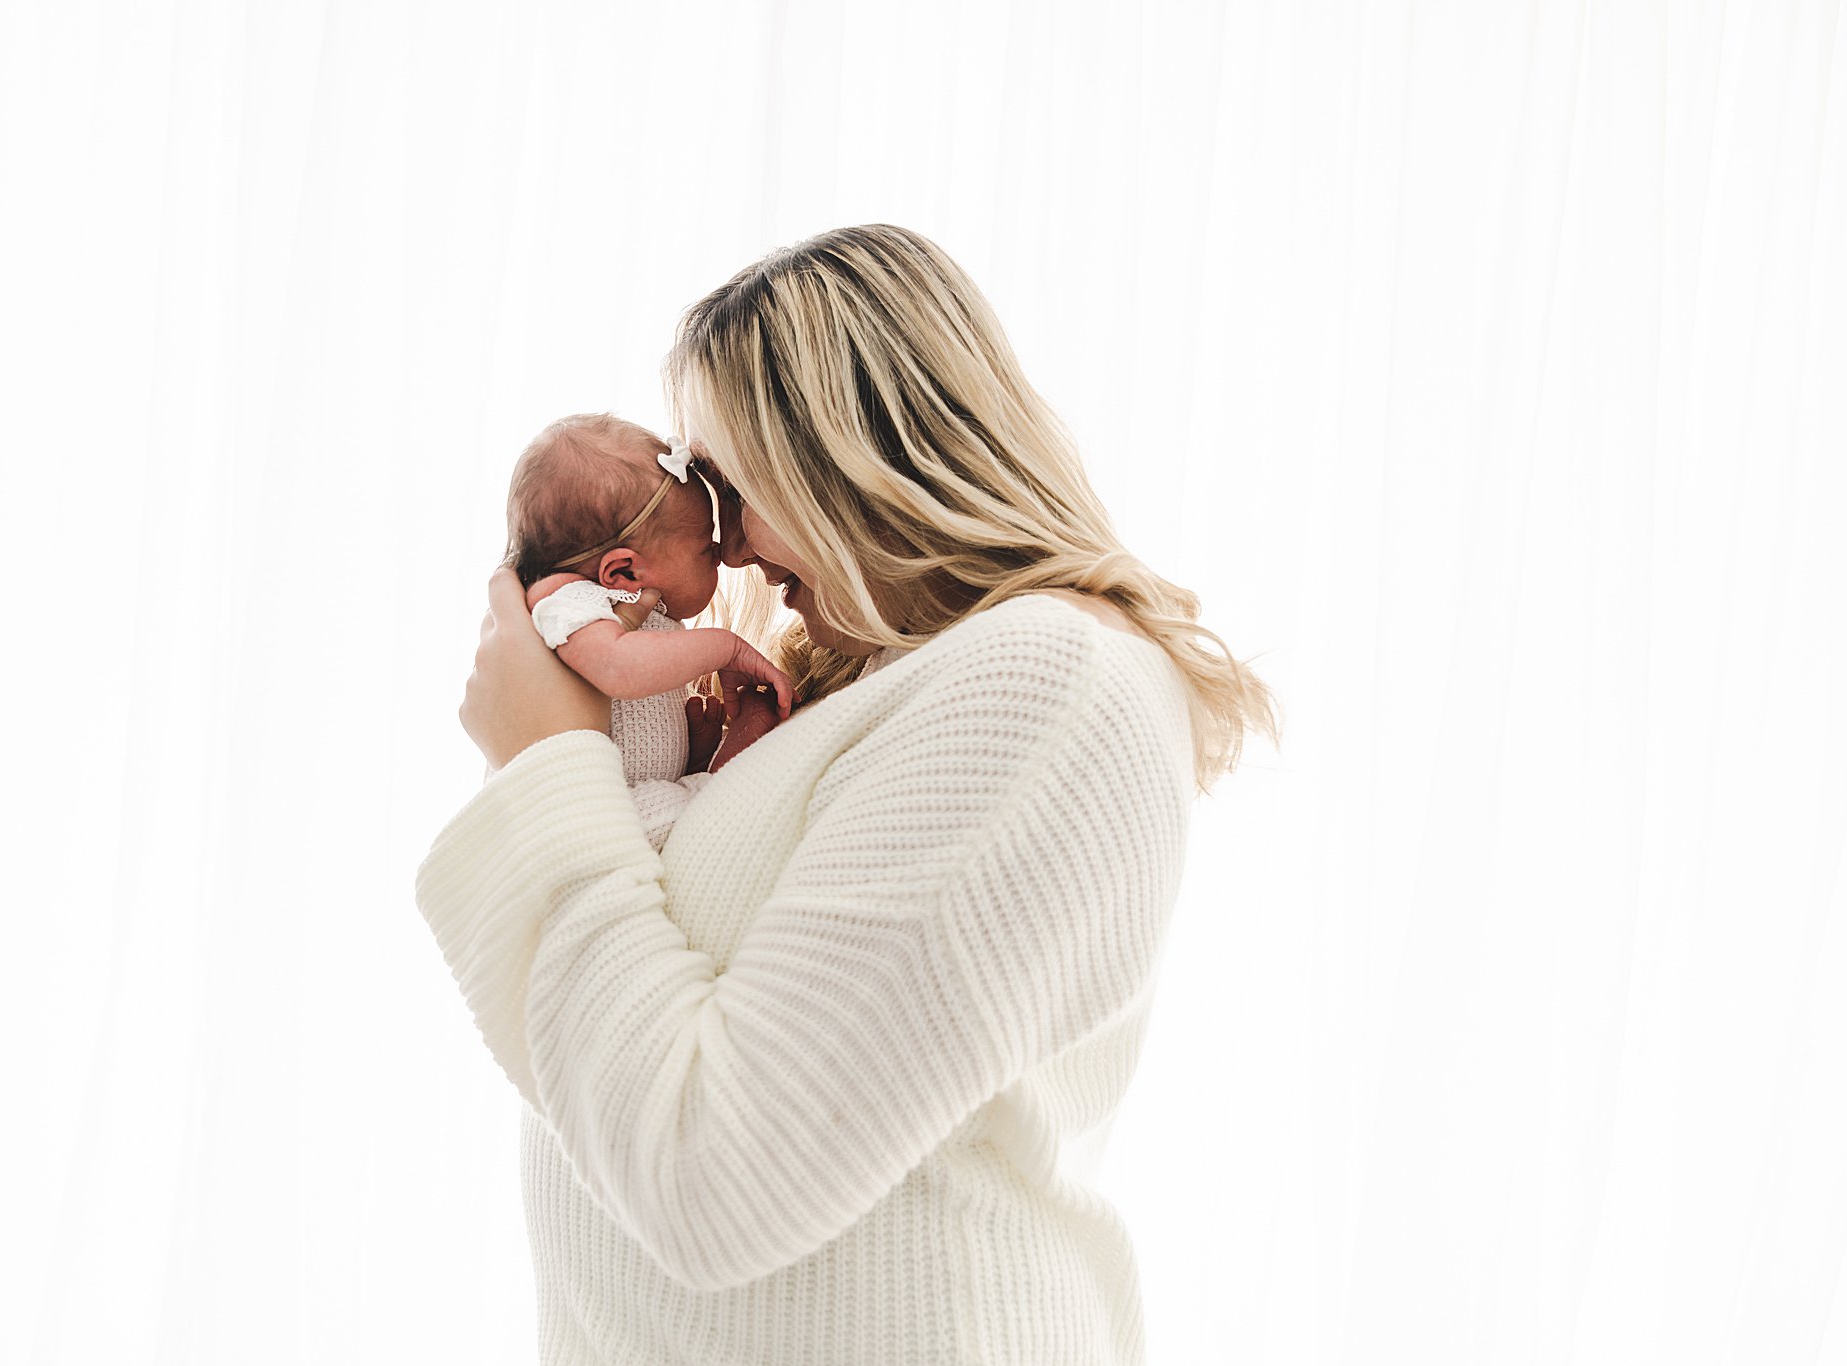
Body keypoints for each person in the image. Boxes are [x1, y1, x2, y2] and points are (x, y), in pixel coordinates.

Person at [416, 224, 1280, 1365]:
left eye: (723, 485)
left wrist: (546, 767)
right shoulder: (872, 694)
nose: (719, 543)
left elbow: (714, 1184)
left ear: (845, 452)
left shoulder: (1045, 682)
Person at [501, 412, 794, 849]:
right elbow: (618, 669)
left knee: (700, 806)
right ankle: (730, 756)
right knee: (708, 810)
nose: (722, 556)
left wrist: (678, 751)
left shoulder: (622, 609)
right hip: (594, 823)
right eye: (704, 549)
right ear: (622, 571)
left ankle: (712, 762)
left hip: (625, 801)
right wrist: (727, 650)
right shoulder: (565, 600)